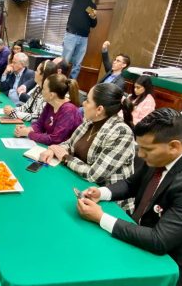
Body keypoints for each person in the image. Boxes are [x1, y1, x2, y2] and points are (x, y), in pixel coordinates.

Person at [75, 108, 182, 286]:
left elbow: (159, 240)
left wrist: (100, 217)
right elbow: (131, 184)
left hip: (172, 265)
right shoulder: (161, 155)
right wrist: (101, 193)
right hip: (144, 233)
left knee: (93, 278)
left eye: (146, 150)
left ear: (174, 146)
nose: (140, 154)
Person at [41, 83, 136, 212]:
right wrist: (53, 150)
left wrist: (66, 158)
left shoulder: (121, 132)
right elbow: (69, 144)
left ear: (99, 109)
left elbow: (94, 175)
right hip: (79, 185)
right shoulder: (90, 121)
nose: (83, 103)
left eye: (87, 100)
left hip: (106, 204)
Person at [14, 73, 82, 145]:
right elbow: (39, 124)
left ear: (51, 95)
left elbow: (55, 139)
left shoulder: (68, 110)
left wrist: (29, 134)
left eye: (44, 88)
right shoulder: (50, 103)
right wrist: (28, 129)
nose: (41, 90)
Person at [62, 0, 99, 80]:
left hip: (84, 38)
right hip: (71, 35)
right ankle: (59, 82)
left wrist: (93, 17)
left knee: (77, 64)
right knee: (65, 61)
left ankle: (71, 84)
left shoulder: (93, 6)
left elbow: (93, 24)